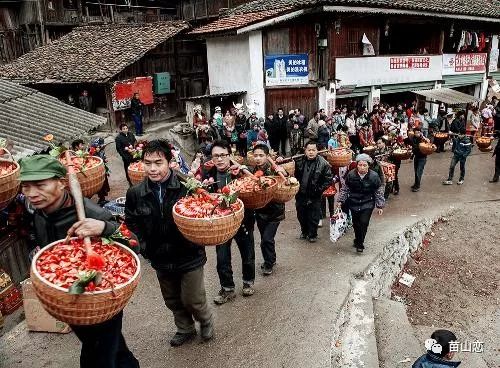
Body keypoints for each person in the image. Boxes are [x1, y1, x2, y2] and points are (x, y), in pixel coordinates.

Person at [19, 155, 139, 368]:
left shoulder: (89, 213)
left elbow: (134, 245)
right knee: (112, 349)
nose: (32, 194)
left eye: (40, 185)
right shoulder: (38, 213)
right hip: (70, 299)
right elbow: (40, 242)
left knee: (98, 358)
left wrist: (104, 228)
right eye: (26, 187)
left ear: (61, 182)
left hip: (100, 298)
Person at [125, 140, 213, 347]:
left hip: (189, 254)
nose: (153, 168)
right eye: (148, 163)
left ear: (170, 162)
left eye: (158, 162)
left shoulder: (186, 187)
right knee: (172, 299)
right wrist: (145, 248)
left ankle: (205, 319)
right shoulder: (135, 193)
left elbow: (204, 212)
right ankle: (185, 328)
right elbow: (131, 222)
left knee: (193, 298)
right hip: (159, 257)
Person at [202, 140, 256, 303]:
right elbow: (203, 196)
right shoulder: (208, 174)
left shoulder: (241, 171)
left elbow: (256, 183)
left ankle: (248, 282)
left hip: (242, 220)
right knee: (222, 257)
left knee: (247, 253)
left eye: (222, 155)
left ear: (229, 156)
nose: (219, 159)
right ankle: (227, 288)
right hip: (221, 223)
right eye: (215, 156)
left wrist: (244, 170)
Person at [250, 144, 288, 275]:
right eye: (255, 155)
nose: (258, 158)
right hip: (260, 211)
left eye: (261, 155)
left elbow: (285, 176)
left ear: (267, 156)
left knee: (266, 239)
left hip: (274, 211)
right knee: (265, 238)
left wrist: (283, 172)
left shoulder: (273, 168)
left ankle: (268, 264)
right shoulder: (253, 169)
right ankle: (271, 259)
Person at [337, 154, 384, 253]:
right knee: (356, 223)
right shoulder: (351, 175)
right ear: (357, 165)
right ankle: (358, 239)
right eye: (360, 165)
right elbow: (345, 189)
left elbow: (378, 190)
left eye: (364, 165)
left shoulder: (374, 176)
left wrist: (380, 205)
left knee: (364, 222)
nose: (362, 167)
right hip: (354, 202)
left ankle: (360, 243)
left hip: (368, 202)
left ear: (368, 166)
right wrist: (340, 201)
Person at [294, 141, 333, 242]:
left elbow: (328, 179)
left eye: (313, 150)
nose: (311, 152)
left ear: (317, 151)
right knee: (301, 214)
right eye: (309, 150)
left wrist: (318, 190)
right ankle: (304, 231)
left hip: (314, 194)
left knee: (313, 215)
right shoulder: (299, 161)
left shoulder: (323, 163)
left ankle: (312, 234)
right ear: (305, 151)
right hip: (300, 193)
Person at [89, 137, 110, 206]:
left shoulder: (101, 149)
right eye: (99, 145)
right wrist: (96, 153)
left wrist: (105, 159)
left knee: (104, 184)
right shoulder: (92, 151)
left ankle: (102, 198)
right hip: (97, 171)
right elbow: (92, 160)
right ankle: (101, 199)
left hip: (103, 169)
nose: (101, 146)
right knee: (100, 184)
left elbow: (103, 156)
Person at [410, 127, 430, 192]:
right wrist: (411, 157)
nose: (417, 134)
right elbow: (413, 148)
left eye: (418, 132)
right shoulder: (413, 138)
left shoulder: (423, 139)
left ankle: (417, 186)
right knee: (416, 171)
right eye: (416, 133)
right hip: (416, 157)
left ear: (420, 132)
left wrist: (426, 139)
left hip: (422, 158)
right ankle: (416, 183)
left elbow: (429, 143)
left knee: (419, 171)